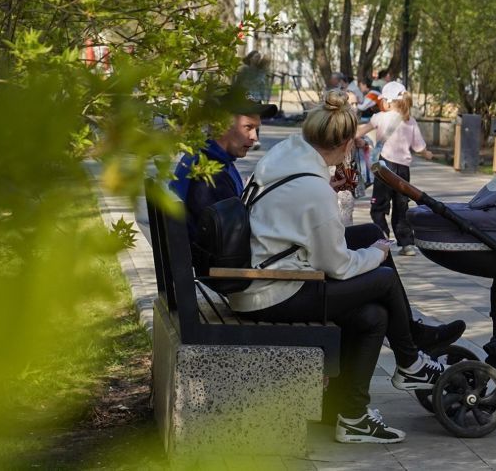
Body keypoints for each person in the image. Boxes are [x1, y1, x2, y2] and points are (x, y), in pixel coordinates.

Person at [236, 89, 463, 444]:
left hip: (265, 277)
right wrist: (377, 254)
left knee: (373, 314)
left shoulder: (286, 156)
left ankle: (353, 415)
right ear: (345, 145)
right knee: (384, 279)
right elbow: (338, 266)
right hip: (273, 291)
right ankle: (410, 361)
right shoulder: (313, 189)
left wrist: (372, 244)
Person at [169, 90, 278, 232]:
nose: (254, 137)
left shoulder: (205, 158)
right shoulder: (209, 174)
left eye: (256, 129)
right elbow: (234, 236)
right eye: (248, 127)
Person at [356, 82, 433, 256]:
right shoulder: (410, 121)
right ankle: (406, 244)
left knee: (379, 206)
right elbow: (419, 148)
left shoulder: (379, 117)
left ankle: (382, 237)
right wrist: (428, 154)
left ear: (388, 102)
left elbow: (359, 133)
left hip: (385, 168)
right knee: (401, 206)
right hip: (403, 170)